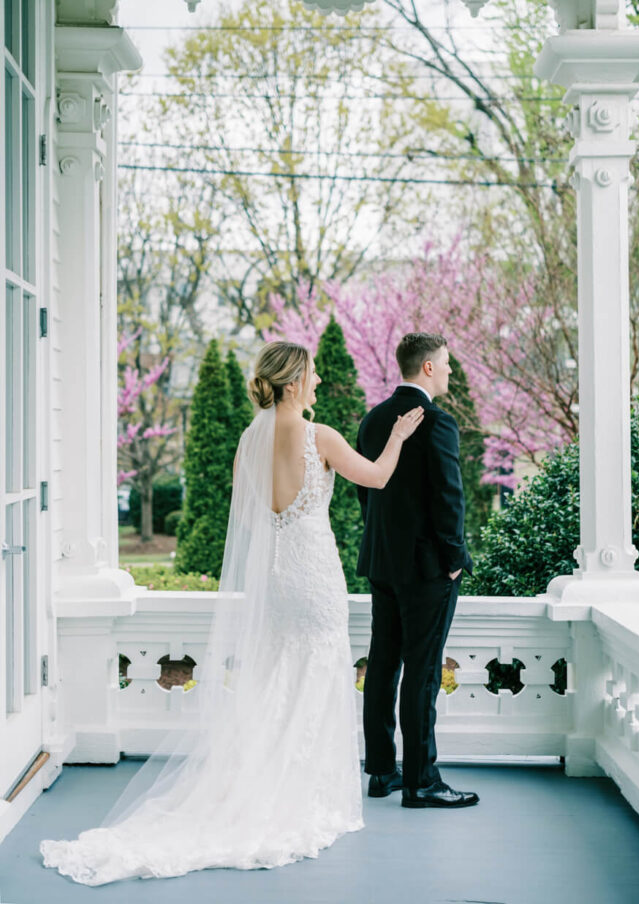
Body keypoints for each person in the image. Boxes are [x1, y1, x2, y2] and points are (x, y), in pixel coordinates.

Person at [39, 341, 423, 885]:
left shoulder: (249, 440)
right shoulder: (320, 436)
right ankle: (299, 793)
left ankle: (259, 781)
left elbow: (247, 521)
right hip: (314, 574)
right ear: (293, 383)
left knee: (275, 676)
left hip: (275, 576)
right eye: (312, 376)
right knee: (312, 675)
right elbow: (379, 477)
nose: (318, 383)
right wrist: (399, 437)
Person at [356, 332, 478, 809]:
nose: (450, 371)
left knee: (383, 666)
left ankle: (383, 771)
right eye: (446, 364)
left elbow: (366, 492)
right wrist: (454, 560)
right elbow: (449, 498)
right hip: (428, 569)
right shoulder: (437, 422)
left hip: (382, 563)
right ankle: (422, 781)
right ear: (427, 367)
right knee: (423, 672)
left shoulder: (373, 419)